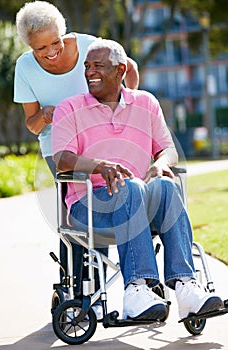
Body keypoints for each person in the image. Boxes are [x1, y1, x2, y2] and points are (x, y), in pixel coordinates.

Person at [51, 38, 223, 321]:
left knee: (166, 184)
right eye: (87, 66)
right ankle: (137, 290)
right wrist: (100, 166)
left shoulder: (146, 102)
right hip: (90, 207)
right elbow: (62, 158)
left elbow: (168, 149)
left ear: (120, 70)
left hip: (140, 201)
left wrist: (160, 164)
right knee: (129, 187)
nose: (90, 72)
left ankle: (185, 288)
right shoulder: (69, 108)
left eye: (99, 66)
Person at [13, 1, 139, 320]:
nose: (51, 52)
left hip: (102, 139)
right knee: (76, 213)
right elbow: (31, 124)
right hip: (60, 145)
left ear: (63, 32)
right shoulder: (25, 68)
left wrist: (129, 108)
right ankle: (80, 287)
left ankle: (102, 288)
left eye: (55, 42)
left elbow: (130, 69)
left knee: (105, 201)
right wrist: (44, 115)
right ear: (30, 46)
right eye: (41, 48)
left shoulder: (89, 47)